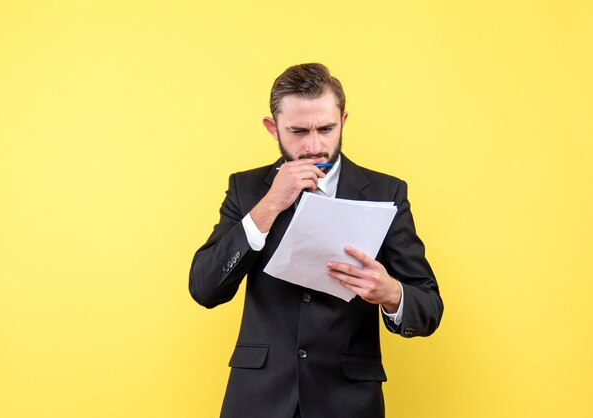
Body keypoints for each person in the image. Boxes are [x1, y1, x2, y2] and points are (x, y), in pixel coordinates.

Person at [189, 63, 443, 418]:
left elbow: (429, 306)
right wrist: (269, 205)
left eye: (326, 129)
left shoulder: (387, 192)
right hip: (259, 399)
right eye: (297, 131)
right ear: (272, 127)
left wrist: (391, 294)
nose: (314, 145)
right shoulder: (246, 190)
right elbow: (204, 288)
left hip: (348, 401)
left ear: (344, 121)